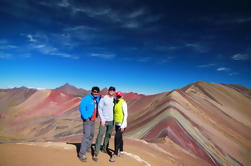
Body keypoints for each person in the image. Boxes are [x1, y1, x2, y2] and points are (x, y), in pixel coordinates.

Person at [92, 86, 116, 161]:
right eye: (110, 90)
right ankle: (96, 153)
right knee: (100, 135)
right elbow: (100, 109)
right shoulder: (103, 98)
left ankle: (104, 148)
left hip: (111, 121)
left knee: (108, 136)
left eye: (113, 90)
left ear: (114, 92)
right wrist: (102, 119)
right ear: (108, 91)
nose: (111, 91)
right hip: (104, 121)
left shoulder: (114, 99)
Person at [78, 86, 100, 162]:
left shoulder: (97, 98)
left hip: (93, 120)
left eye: (97, 92)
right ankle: (81, 154)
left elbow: (100, 100)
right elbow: (81, 108)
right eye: (94, 92)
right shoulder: (86, 99)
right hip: (87, 120)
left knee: (91, 135)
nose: (95, 93)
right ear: (91, 91)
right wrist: (85, 117)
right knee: (86, 136)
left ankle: (88, 147)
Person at [109, 91, 128, 162]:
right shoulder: (115, 102)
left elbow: (126, 114)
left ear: (121, 96)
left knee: (116, 138)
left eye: (120, 96)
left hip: (122, 124)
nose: (119, 97)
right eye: (118, 96)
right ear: (116, 96)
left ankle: (115, 153)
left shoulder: (123, 103)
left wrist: (123, 126)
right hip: (117, 123)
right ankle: (121, 150)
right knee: (119, 137)